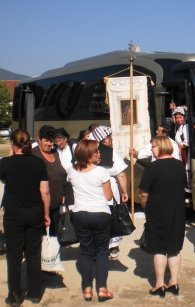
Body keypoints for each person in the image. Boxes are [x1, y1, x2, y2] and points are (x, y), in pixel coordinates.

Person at [0, 129, 50, 307]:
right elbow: (44, 191)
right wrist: (46, 213)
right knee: (33, 253)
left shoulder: (5, 162)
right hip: (34, 209)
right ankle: (34, 292)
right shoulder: (38, 162)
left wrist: (10, 156)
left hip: (14, 211)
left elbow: (4, 180)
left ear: (12, 143)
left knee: (14, 256)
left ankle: (14, 295)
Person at [138, 136, 186, 297]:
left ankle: (160, 284)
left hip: (157, 210)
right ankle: (174, 281)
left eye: (153, 146)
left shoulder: (152, 167)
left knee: (159, 248)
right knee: (174, 248)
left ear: (161, 146)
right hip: (178, 210)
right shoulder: (180, 165)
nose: (151, 149)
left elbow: (143, 193)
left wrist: (145, 207)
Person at [67, 140, 114, 302]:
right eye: (96, 152)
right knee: (101, 252)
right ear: (88, 154)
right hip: (100, 213)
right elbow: (108, 196)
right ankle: (102, 288)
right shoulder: (101, 172)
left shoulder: (72, 170)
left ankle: (87, 289)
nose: (98, 154)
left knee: (85, 252)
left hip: (80, 213)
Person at [89, 126, 128, 259]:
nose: (111, 139)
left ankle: (96, 249)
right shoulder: (112, 153)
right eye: (110, 136)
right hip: (109, 187)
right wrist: (125, 192)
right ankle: (113, 247)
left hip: (92, 188)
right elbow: (121, 174)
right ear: (104, 139)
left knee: (95, 216)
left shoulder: (88, 152)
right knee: (112, 215)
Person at [32, 125, 70, 237]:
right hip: (39, 203)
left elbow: (61, 175)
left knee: (54, 235)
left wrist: (63, 193)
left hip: (56, 202)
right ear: (39, 140)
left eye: (51, 141)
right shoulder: (33, 154)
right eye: (46, 141)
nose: (49, 144)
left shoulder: (55, 153)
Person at [173, 106, 191, 192]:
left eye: (180, 117)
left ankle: (188, 186)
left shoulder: (186, 126)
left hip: (185, 150)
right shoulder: (179, 127)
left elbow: (187, 142)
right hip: (181, 151)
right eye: (177, 118)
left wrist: (180, 147)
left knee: (186, 167)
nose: (179, 119)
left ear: (184, 117)